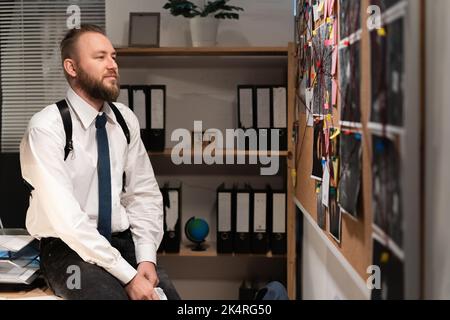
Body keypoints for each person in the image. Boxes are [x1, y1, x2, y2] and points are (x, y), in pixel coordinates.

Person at [20, 24, 179, 300]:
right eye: (100, 57)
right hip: (67, 249)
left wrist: (145, 259)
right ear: (72, 67)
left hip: (122, 243)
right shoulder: (47, 127)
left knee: (170, 299)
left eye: (114, 56)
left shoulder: (125, 120)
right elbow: (67, 220)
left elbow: (143, 194)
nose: (112, 65)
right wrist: (128, 276)